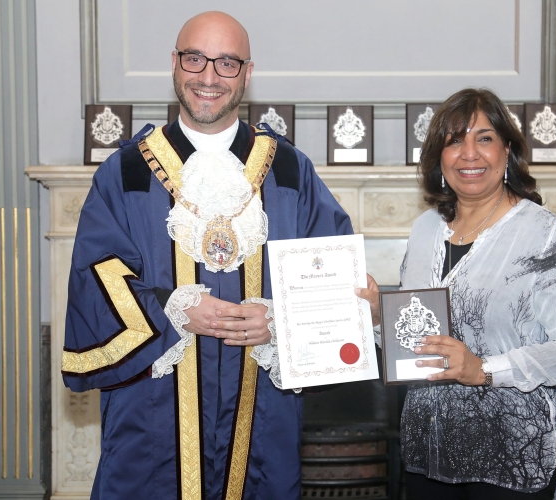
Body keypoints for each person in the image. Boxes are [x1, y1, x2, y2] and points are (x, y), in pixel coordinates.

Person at [62, 11, 352, 500]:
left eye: (227, 63)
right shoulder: (126, 173)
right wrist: (172, 309)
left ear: (248, 73)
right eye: (195, 59)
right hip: (152, 420)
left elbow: (336, 278)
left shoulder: (290, 171)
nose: (209, 77)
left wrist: (284, 321)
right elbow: (94, 280)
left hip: (262, 420)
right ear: (175, 63)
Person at [357, 88, 556, 499]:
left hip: (511, 458)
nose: (469, 153)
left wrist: (484, 369)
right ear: (439, 157)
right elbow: (417, 338)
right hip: (428, 455)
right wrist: (381, 318)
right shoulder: (425, 229)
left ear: (507, 150)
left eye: (484, 138)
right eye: (454, 140)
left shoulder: (542, 233)